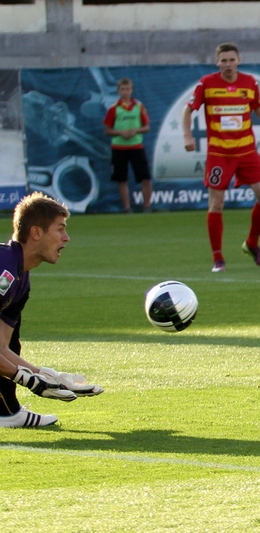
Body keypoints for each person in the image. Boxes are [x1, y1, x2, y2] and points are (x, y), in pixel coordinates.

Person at [181, 42, 260, 273]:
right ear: (217, 62)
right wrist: (188, 136)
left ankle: (252, 244)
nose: (228, 64)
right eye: (223, 60)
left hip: (247, 152)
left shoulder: (249, 83)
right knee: (217, 203)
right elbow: (188, 109)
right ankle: (218, 258)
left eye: (231, 60)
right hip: (219, 154)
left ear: (238, 60)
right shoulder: (207, 84)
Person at [0, 192, 103, 428]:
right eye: (60, 229)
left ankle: (7, 413)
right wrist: (27, 379)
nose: (66, 238)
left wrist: (46, 375)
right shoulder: (4, 272)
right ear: (36, 232)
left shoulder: (20, 279)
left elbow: (2, 347)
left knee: (13, 341)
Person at [103, 77, 153, 213]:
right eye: (123, 89)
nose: (125, 92)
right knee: (122, 179)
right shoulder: (114, 108)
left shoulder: (138, 106)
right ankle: (127, 208)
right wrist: (121, 133)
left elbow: (147, 127)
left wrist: (136, 130)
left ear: (132, 90)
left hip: (136, 146)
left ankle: (147, 206)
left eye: (128, 89)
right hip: (119, 147)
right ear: (118, 91)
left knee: (145, 178)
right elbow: (107, 130)